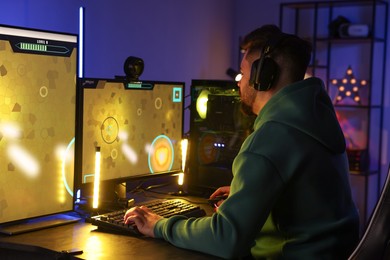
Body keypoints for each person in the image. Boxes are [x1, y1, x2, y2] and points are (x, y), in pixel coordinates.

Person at [124, 24, 360, 259]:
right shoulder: (315, 118)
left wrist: (160, 225)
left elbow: (225, 238)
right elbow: (305, 201)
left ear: (263, 77)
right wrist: (245, 193)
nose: (238, 82)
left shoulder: (272, 137)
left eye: (243, 73)